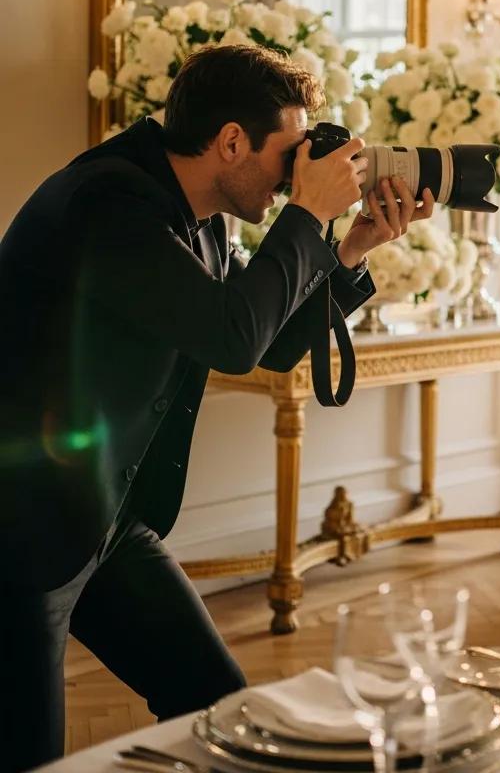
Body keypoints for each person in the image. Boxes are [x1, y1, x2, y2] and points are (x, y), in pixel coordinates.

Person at [0, 44, 434, 771]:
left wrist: (350, 250)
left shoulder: (201, 216)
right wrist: (305, 213)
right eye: (290, 152)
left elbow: (259, 342)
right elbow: (231, 338)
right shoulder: (108, 202)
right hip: (20, 525)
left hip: (95, 509)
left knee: (218, 700)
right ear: (231, 140)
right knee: (30, 756)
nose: (298, 172)